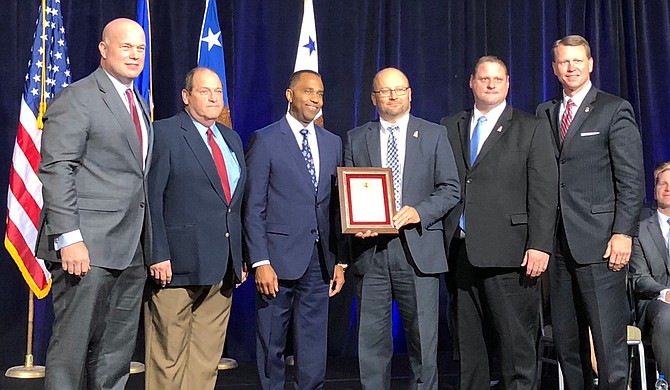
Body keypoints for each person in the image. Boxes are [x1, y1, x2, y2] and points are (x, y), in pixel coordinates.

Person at [36, 18, 152, 390]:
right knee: (70, 351)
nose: (135, 55)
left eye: (140, 49)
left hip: (131, 249)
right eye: (126, 47)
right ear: (104, 50)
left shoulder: (137, 101)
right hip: (86, 246)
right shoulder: (79, 96)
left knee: (116, 353)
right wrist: (69, 238)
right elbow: (57, 169)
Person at [441, 55, 558, 389]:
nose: (490, 85)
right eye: (483, 79)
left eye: (497, 79)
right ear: (471, 82)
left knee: (516, 351)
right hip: (461, 253)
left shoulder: (530, 127)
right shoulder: (450, 125)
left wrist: (539, 244)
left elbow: (544, 192)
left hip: (511, 255)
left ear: (507, 83)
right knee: (469, 351)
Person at [536, 35, 645, 389]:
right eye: (564, 62)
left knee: (608, 344)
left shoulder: (614, 109)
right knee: (568, 345)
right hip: (558, 246)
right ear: (554, 68)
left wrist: (623, 233)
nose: (571, 68)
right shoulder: (545, 111)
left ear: (590, 64)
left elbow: (631, 180)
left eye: (577, 61)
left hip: (601, 245)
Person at [344, 67, 460, 389]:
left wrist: (418, 212)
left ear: (410, 94)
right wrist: (357, 225)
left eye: (399, 89)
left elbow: (450, 188)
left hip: (418, 252)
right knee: (371, 348)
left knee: (424, 348)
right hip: (371, 254)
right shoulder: (356, 138)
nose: (392, 96)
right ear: (373, 98)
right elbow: (348, 195)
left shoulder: (434, 134)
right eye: (384, 91)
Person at [144, 67, 246, 390]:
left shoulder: (231, 138)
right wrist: (157, 252)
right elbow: (152, 197)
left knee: (205, 359)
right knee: (167, 358)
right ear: (186, 97)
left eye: (218, 92)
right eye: (205, 91)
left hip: (223, 267)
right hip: (176, 266)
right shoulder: (166, 133)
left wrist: (240, 254)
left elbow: (234, 205)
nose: (214, 97)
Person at [244, 70, 345, 390]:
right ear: (290, 95)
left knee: (314, 344)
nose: (315, 99)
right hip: (276, 261)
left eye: (320, 93)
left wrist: (340, 260)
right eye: (308, 92)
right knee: (272, 341)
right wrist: (260, 261)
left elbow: (334, 207)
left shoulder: (332, 142)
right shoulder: (266, 140)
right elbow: (254, 207)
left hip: (319, 261)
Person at [630, 161, 670, 378]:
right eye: (663, 184)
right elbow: (639, 278)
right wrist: (665, 293)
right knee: (668, 316)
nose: (668, 189)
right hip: (655, 304)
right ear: (655, 191)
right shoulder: (640, 230)